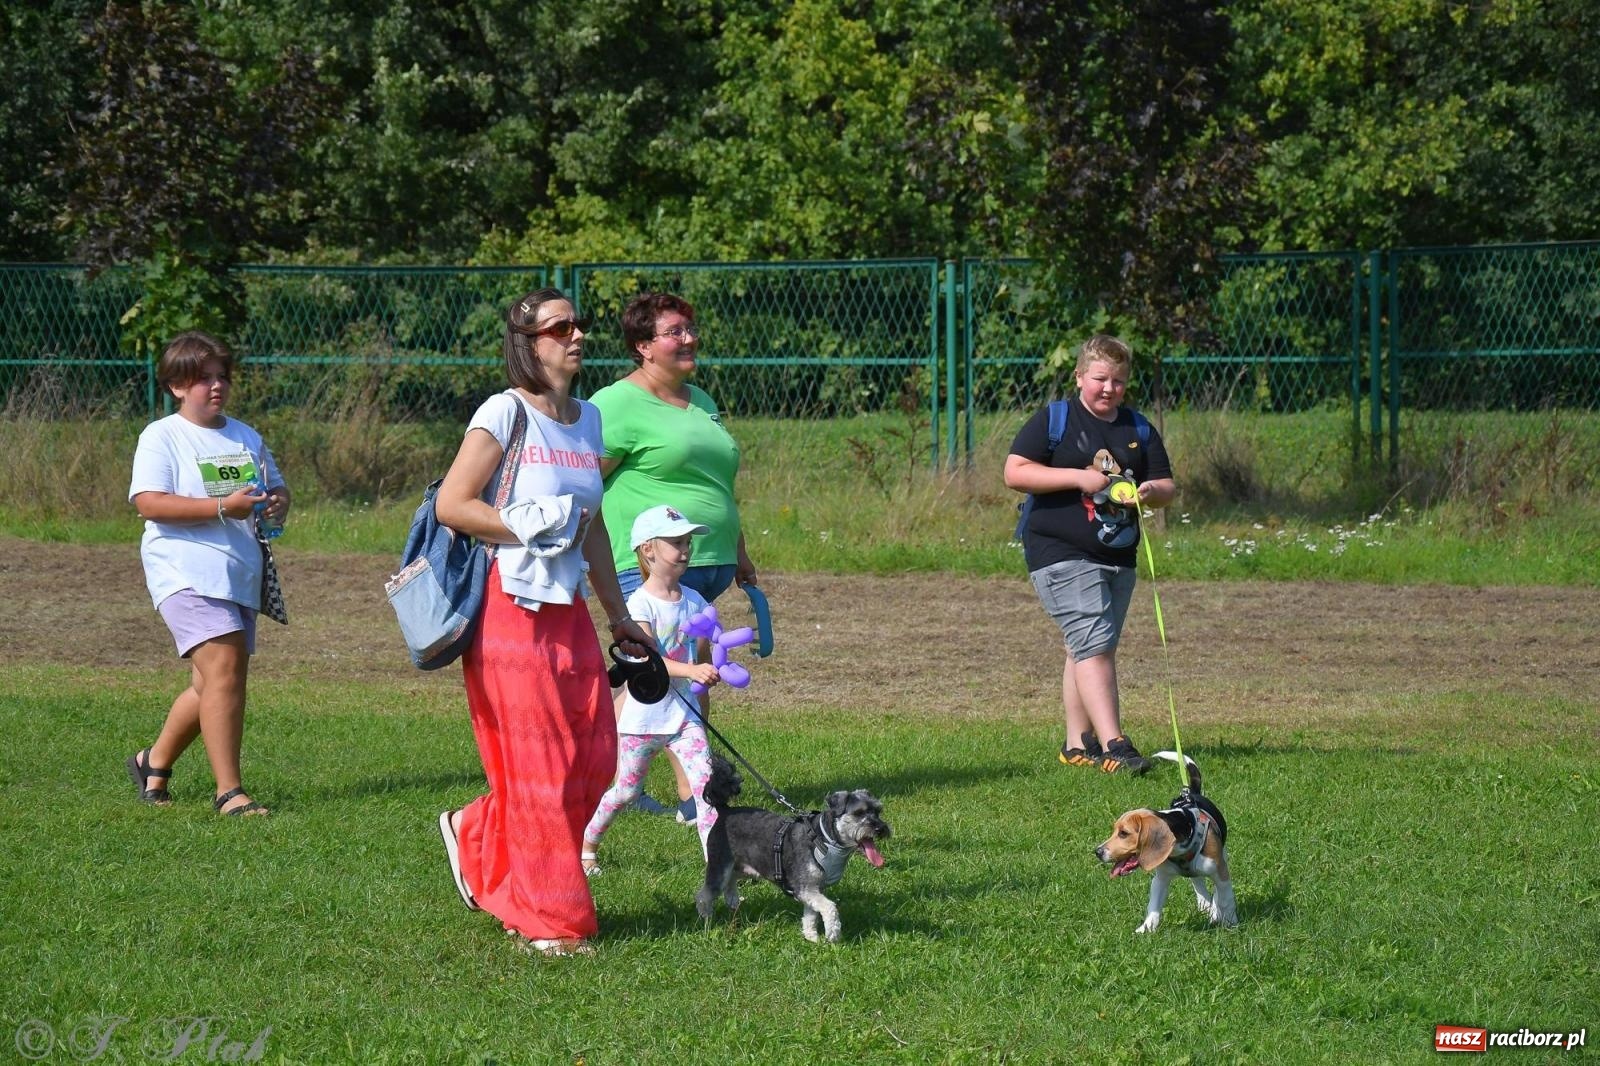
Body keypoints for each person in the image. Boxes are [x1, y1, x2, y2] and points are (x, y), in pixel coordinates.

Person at [432, 288, 652, 958]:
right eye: (561, 327)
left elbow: (592, 529)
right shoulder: (503, 412)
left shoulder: (586, 421)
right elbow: (452, 504)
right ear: (529, 342)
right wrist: (518, 525)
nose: (577, 335)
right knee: (542, 769)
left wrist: (620, 617)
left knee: (594, 759)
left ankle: (477, 831)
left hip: (571, 613)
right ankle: (552, 920)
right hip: (512, 608)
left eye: (578, 324)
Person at [589, 292, 757, 822]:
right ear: (643, 346)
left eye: (690, 328)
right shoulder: (615, 404)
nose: (689, 339)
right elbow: (584, 483)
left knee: (692, 675)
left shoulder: (701, 398)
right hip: (643, 564)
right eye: (674, 331)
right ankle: (611, 786)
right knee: (648, 676)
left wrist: (739, 549)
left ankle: (690, 795)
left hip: (704, 562)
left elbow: (716, 484)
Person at [126, 330, 290, 816]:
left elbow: (275, 489)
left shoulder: (245, 435)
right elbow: (148, 502)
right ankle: (230, 793)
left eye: (222, 377)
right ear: (177, 385)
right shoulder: (162, 436)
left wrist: (276, 503)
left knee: (211, 684)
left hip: (238, 572)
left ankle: (152, 763)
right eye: (203, 379)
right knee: (223, 670)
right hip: (182, 571)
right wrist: (224, 506)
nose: (216, 387)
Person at [1003, 334, 1175, 775]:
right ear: (1079, 376)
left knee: (1088, 646)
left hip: (1119, 556)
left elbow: (1167, 486)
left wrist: (1152, 491)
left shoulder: (1138, 428)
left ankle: (1077, 746)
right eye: (1100, 378)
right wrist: (1077, 478)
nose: (1108, 388)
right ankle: (1115, 743)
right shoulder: (1055, 420)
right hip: (1060, 552)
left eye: (1118, 381)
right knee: (1094, 644)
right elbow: (1015, 471)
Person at [580, 505, 723, 876]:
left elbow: (702, 647)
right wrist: (692, 668)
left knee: (707, 792)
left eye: (688, 542)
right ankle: (587, 846)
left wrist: (712, 660)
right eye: (676, 543)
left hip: (684, 718)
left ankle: (718, 867)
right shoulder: (638, 605)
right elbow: (650, 658)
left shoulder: (694, 600)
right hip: (643, 719)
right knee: (625, 793)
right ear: (648, 550)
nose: (686, 551)